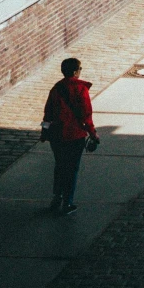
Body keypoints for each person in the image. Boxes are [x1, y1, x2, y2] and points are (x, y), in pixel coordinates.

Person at [41, 57, 99, 213]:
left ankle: (56, 198)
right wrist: (93, 134)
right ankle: (67, 202)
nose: (80, 72)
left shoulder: (56, 88)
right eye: (80, 69)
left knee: (60, 166)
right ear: (75, 72)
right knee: (71, 169)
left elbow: (48, 112)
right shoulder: (81, 89)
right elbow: (86, 114)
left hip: (57, 135)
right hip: (75, 135)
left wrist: (44, 131)